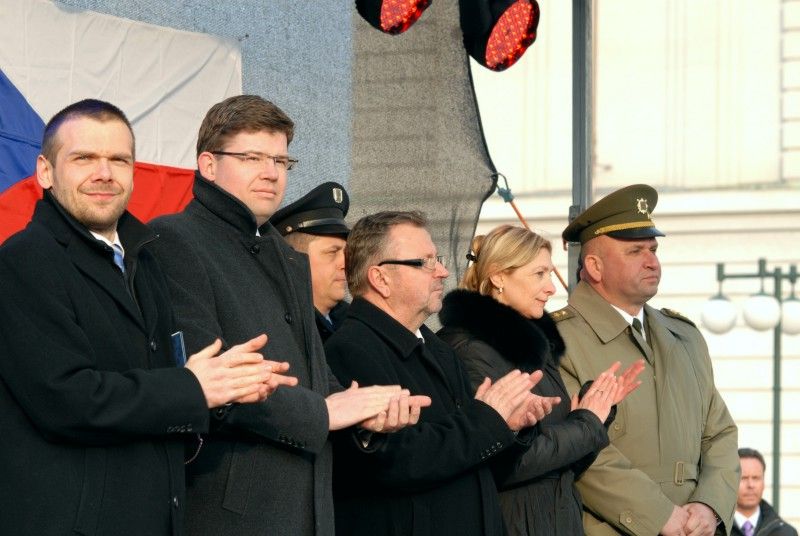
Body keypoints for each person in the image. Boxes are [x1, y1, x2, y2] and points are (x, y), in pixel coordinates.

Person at [0, 99, 286, 535]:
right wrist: (192, 387)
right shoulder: (23, 261)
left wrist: (225, 388)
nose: (104, 173)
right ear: (45, 171)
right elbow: (68, 401)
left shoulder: (144, 259)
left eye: (119, 160)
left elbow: (161, 385)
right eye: (84, 158)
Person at [149, 95, 429, 536]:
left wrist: (365, 414)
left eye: (280, 160)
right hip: (232, 514)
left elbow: (315, 377)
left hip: (308, 509)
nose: (271, 172)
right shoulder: (173, 239)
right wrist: (325, 413)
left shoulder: (284, 255)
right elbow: (212, 383)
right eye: (252, 158)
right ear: (208, 165)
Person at [324, 210, 560, 536]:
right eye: (425, 262)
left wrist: (510, 427)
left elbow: (478, 464)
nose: (443, 272)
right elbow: (397, 461)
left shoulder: (436, 348)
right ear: (380, 278)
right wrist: (488, 418)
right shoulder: (351, 350)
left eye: (438, 259)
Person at [554, 184, 740, 536]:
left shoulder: (684, 336)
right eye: (635, 251)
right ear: (594, 265)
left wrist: (709, 506)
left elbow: (719, 433)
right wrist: (659, 515)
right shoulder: (556, 341)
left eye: (653, 249)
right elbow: (579, 449)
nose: (652, 261)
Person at [437, 224, 644, 535]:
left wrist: (595, 413)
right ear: (499, 277)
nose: (551, 288)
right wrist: (586, 422)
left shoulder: (531, 346)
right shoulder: (472, 351)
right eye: (539, 274)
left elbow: (561, 468)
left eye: (550, 274)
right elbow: (506, 463)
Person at [271, 181, 350, 341]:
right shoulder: (276, 331)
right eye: (332, 252)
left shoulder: (355, 323)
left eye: (347, 253)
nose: (346, 264)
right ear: (293, 259)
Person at [733, 448, 797, 536]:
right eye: (743, 478)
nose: (751, 485)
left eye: (756, 478)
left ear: (763, 482)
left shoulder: (786, 533)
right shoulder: (715, 530)